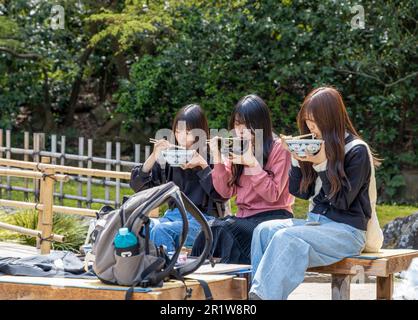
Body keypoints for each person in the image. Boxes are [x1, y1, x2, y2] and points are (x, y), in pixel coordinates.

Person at [249, 86, 381, 300]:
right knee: (263, 230)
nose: (311, 126)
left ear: (330, 118)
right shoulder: (317, 145)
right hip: (316, 224)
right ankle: (262, 293)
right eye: (307, 121)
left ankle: (260, 297)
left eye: (314, 120)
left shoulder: (357, 151)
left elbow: (342, 202)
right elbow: (299, 191)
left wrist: (321, 164)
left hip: (347, 231)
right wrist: (296, 158)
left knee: (286, 237)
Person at [191, 94, 294, 264]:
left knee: (226, 229)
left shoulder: (279, 149)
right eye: (237, 125)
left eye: (247, 125)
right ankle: (198, 279)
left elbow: (273, 194)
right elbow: (225, 191)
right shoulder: (237, 147)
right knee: (209, 230)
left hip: (273, 217)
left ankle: (239, 284)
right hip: (243, 217)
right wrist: (217, 158)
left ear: (261, 124)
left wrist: (252, 163)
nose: (241, 131)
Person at [130, 104, 226, 252]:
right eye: (177, 131)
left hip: (203, 221)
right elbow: (140, 188)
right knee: (136, 227)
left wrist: (203, 165)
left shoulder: (212, 156)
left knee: (161, 231)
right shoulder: (171, 156)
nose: (181, 137)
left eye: (187, 132)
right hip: (172, 217)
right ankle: (145, 270)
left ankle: (167, 271)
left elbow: (221, 195)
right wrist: (154, 156)